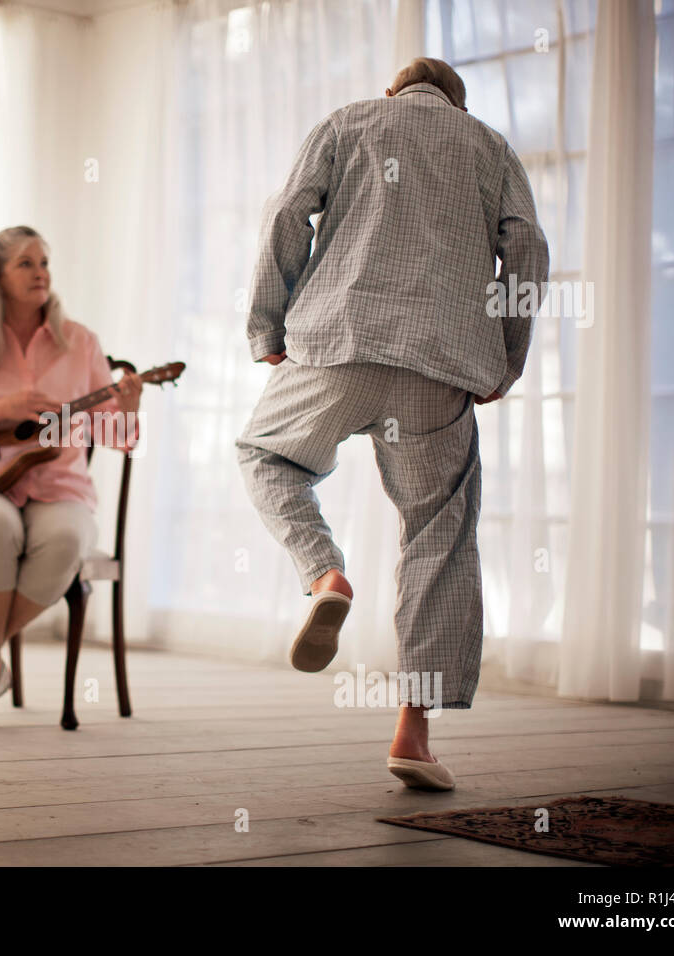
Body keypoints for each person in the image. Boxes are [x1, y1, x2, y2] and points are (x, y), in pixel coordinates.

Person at [234, 57, 549, 789]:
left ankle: (326, 576)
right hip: (439, 370)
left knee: (266, 456)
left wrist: (266, 329)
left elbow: (285, 213)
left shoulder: (350, 121)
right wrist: (506, 359)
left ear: (394, 90)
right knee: (437, 533)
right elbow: (527, 251)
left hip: (337, 345)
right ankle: (413, 735)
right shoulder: (491, 147)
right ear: (456, 104)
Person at [0, 225, 142, 727]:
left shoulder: (80, 343)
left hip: (60, 489)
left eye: (44, 262)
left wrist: (128, 410)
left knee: (65, 539)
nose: (41, 272)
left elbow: (119, 436)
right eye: (26, 263)